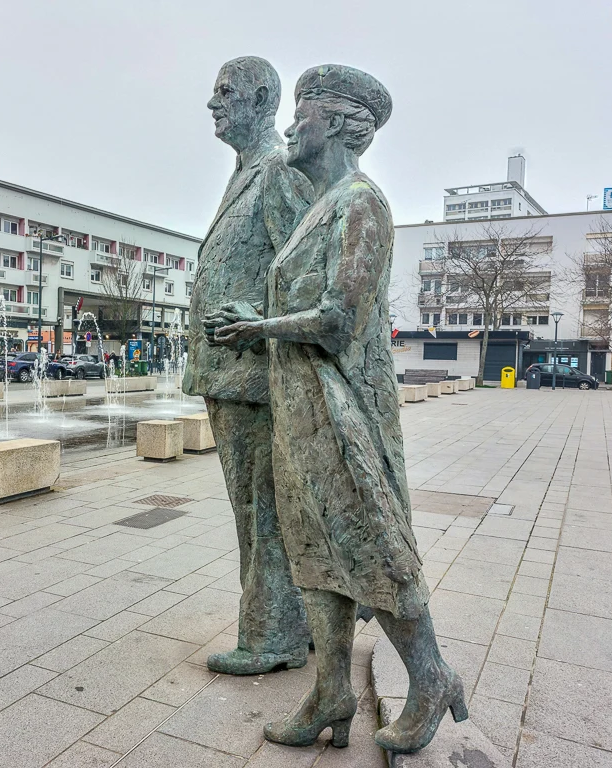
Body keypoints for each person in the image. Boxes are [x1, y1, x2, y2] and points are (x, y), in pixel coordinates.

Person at [214, 64, 466, 754]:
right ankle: (330, 690)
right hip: (300, 405)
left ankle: (432, 674)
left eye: (307, 113)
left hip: (341, 407)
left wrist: (256, 327)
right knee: (314, 551)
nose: (293, 126)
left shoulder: (362, 201)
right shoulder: (321, 203)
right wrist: (257, 317)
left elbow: (341, 317)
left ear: (344, 124)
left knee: (371, 546)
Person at [183, 56, 313, 675]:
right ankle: (295, 624)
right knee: (260, 510)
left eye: (225, 92)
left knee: (261, 511)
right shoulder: (247, 172)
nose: (213, 103)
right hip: (233, 374)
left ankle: (272, 638)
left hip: (254, 374)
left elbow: (306, 274)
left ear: (262, 101)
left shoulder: (277, 171)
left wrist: (254, 318)